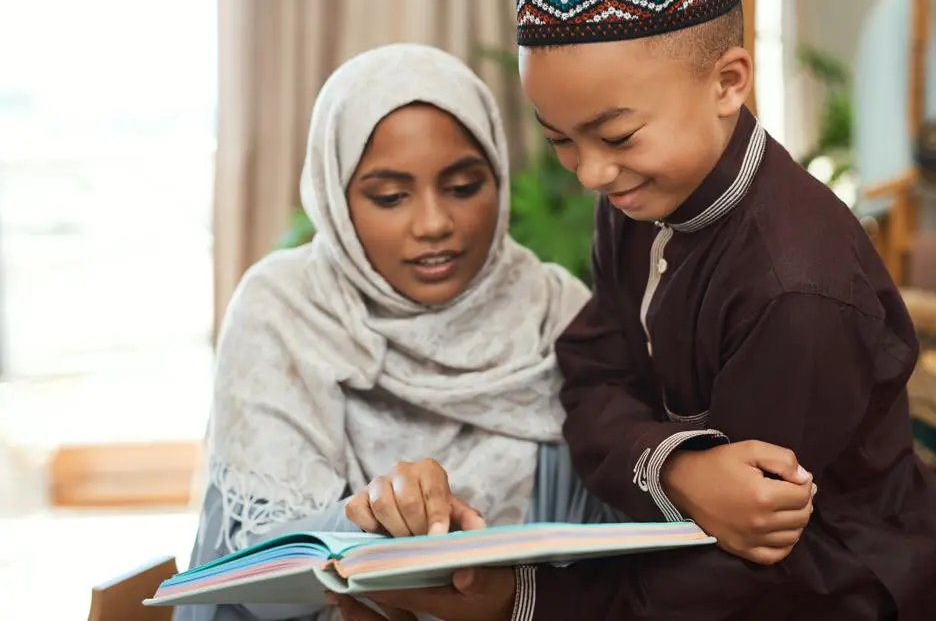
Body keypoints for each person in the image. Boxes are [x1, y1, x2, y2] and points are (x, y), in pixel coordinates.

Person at [352, 0, 936, 620]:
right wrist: (677, 467)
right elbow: (589, 376)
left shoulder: (795, 291)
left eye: (615, 136)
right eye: (561, 140)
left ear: (729, 82)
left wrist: (523, 599)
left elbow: (749, 559)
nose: (588, 173)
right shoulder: (643, 194)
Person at [175, 43, 622, 621]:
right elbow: (258, 584)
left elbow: (611, 561)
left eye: (463, 187)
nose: (434, 223)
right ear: (337, 200)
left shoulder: (554, 311)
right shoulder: (284, 310)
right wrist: (378, 515)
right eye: (390, 197)